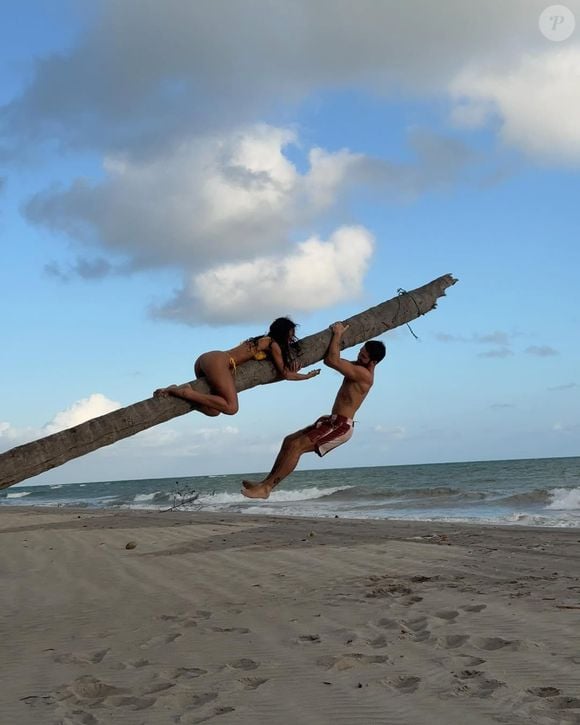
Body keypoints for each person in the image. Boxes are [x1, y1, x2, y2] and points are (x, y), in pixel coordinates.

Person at [241, 322, 386, 499]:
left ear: (373, 362)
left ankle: (267, 488)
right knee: (289, 441)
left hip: (341, 426)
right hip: (332, 420)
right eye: (359, 352)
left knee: (296, 447)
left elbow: (331, 360)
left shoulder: (364, 375)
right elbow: (333, 358)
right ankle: (264, 484)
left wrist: (337, 334)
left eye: (363, 356)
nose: (358, 356)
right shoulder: (358, 367)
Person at [154, 317, 320, 417]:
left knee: (214, 411)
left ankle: (178, 391)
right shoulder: (272, 344)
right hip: (219, 361)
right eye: (290, 334)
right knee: (232, 408)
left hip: (207, 360)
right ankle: (184, 391)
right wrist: (306, 376)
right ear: (283, 332)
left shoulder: (261, 340)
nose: (292, 338)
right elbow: (285, 374)